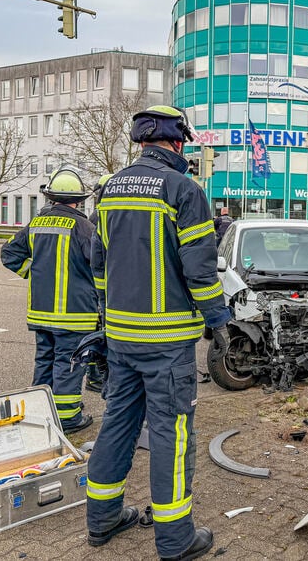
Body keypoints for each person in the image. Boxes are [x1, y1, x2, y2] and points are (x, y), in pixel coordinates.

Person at [86, 105, 230, 560]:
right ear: (179, 142)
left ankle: (103, 518)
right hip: (166, 344)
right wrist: (219, 321)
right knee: (171, 433)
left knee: (117, 424)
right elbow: (201, 270)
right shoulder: (183, 189)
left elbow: (99, 265)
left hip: (122, 338)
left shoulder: (109, 191)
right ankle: (175, 540)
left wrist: (109, 320)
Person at [0, 168, 99, 434]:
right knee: (69, 364)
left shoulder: (36, 223)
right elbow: (102, 265)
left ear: (51, 197)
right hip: (75, 314)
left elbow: (9, 253)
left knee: (45, 361)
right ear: (78, 200)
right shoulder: (84, 227)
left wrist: (32, 270)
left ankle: (38, 413)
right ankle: (67, 419)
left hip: (41, 313)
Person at [84, 173, 115, 394]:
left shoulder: (97, 216)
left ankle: (96, 375)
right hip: (98, 286)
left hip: (94, 284)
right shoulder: (101, 218)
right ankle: (96, 377)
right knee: (100, 332)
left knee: (97, 329)